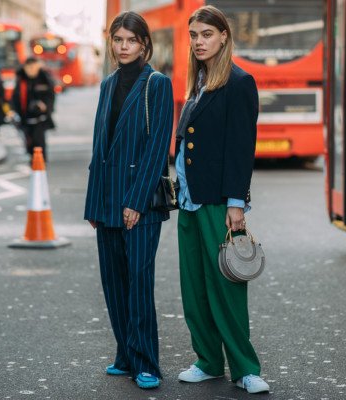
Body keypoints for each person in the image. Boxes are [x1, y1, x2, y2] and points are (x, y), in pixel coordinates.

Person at [175, 5, 269, 394]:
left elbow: (241, 148)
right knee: (194, 287)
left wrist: (236, 202)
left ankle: (246, 368)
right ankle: (208, 360)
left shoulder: (239, 82)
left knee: (227, 286)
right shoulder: (196, 80)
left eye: (207, 35)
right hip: (188, 199)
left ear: (224, 37)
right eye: (194, 35)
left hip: (217, 200)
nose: (199, 42)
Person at [83, 11, 173, 390]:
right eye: (118, 40)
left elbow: (157, 150)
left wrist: (135, 201)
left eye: (131, 41)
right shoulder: (106, 85)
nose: (124, 47)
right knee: (113, 281)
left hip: (139, 201)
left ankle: (146, 360)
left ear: (144, 44)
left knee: (138, 281)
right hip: (106, 200)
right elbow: (98, 146)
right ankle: (125, 352)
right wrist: (93, 205)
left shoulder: (157, 84)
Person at [11, 57, 55, 162]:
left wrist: (45, 106)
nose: (31, 70)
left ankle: (40, 162)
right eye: (28, 68)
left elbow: (50, 95)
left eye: (33, 67)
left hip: (40, 117)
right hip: (24, 116)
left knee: (39, 140)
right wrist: (13, 111)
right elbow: (15, 97)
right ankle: (33, 158)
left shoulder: (44, 78)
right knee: (28, 141)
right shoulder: (21, 78)